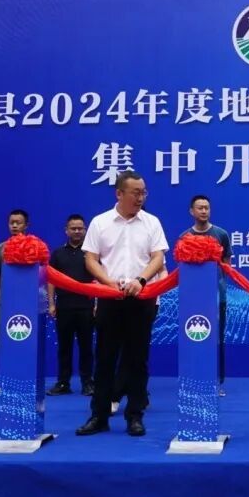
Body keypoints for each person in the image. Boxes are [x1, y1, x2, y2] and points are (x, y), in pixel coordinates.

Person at [76, 170, 169, 437]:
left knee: (138, 360)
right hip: (110, 299)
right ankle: (99, 416)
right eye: (135, 193)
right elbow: (90, 259)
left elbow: (158, 257)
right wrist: (108, 283)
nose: (141, 198)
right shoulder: (100, 222)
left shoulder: (151, 222)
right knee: (105, 358)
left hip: (141, 299)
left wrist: (141, 280)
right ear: (119, 193)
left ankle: (135, 415)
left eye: (144, 193)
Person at [180, 195, 232, 396]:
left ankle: (217, 382)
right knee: (195, 339)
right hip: (193, 300)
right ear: (191, 211)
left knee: (217, 339)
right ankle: (194, 380)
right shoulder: (185, 237)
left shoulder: (221, 234)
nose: (204, 211)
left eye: (207, 208)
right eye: (200, 208)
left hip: (217, 297)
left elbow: (226, 265)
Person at [46, 214, 95, 397]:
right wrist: (52, 303)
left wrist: (97, 303)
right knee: (64, 347)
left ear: (85, 230)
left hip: (86, 307)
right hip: (64, 307)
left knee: (86, 347)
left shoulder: (91, 254)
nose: (77, 231)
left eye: (80, 228)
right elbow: (51, 280)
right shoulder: (58, 254)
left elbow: (99, 280)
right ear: (66, 230)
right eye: (73, 228)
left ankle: (87, 383)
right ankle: (63, 383)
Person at [0, 209, 29, 396]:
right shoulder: (1, 248)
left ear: (26, 225)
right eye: (12, 222)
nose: (14, 225)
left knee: (24, 343)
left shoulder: (34, 247)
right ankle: (5, 382)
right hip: (4, 303)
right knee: (4, 344)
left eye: (18, 222)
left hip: (26, 304)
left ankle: (24, 382)